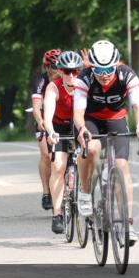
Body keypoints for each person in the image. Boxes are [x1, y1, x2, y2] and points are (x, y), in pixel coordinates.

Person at [73, 40, 139, 246]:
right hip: (90, 119)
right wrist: (82, 129)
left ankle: (128, 224)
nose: (104, 74)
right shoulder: (85, 78)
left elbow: (138, 106)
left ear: (116, 65)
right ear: (92, 67)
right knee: (92, 148)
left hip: (116, 119)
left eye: (109, 69)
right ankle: (85, 193)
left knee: (122, 166)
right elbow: (78, 112)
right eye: (99, 69)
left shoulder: (127, 75)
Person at [43, 51, 84, 235]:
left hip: (78, 125)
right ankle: (57, 214)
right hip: (58, 127)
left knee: (89, 157)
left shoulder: (84, 85)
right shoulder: (53, 87)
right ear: (60, 71)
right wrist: (51, 132)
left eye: (75, 71)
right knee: (58, 166)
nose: (71, 75)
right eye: (67, 71)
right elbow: (48, 116)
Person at [31, 48, 60, 211]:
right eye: (53, 66)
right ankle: (46, 192)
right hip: (43, 118)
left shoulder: (67, 77)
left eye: (58, 66)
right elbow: (36, 107)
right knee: (47, 155)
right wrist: (40, 120)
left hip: (62, 119)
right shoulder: (41, 80)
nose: (55, 70)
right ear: (47, 67)